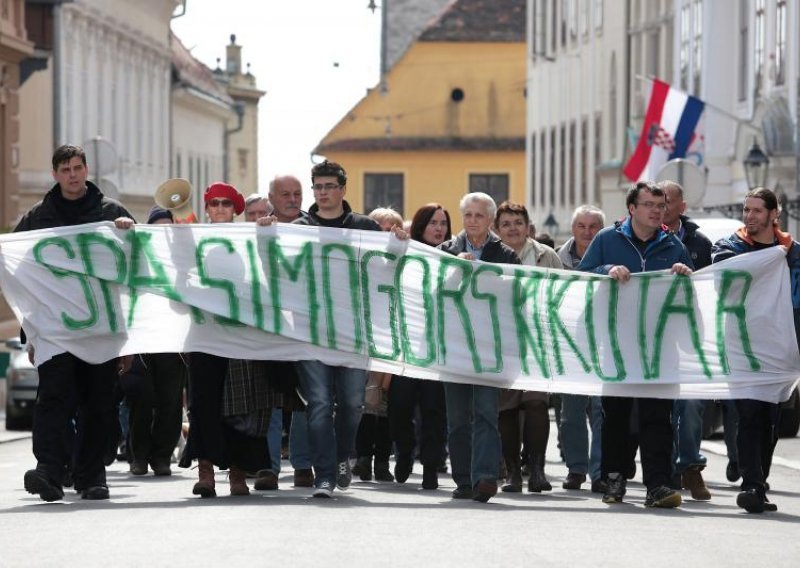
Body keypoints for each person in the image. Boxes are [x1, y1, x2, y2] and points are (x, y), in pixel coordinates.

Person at [19, 144, 134, 502]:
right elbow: (20, 276)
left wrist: (128, 234)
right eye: (65, 169)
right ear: (55, 174)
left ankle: (91, 476)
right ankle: (49, 472)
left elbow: (134, 272)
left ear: (86, 170)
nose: (72, 174)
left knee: (98, 403)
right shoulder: (38, 217)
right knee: (53, 399)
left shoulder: (111, 213)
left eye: (77, 167)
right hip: (55, 331)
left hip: (100, 329)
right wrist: (31, 334)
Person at [578, 181, 693, 509]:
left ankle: (657, 484)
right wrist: (606, 270)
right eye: (649, 205)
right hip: (617, 347)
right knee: (616, 416)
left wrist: (685, 274)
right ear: (632, 208)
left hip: (659, 349)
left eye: (661, 205)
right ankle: (614, 477)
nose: (657, 211)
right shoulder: (606, 240)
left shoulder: (673, 245)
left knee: (658, 417)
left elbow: (691, 295)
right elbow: (582, 279)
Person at [291, 160, 386, 498]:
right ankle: (324, 475)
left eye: (330, 186)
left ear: (343, 190)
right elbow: (278, 268)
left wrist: (400, 243)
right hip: (311, 332)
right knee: (317, 403)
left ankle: (344, 453)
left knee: (352, 403)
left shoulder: (366, 227)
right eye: (318, 187)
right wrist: (265, 234)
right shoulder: (297, 228)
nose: (324, 193)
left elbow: (388, 266)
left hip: (354, 332)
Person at [178, 182, 270, 497]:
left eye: (226, 204)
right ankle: (205, 473)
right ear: (207, 209)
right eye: (214, 203)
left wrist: (266, 237)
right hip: (204, 335)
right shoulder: (193, 240)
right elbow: (180, 281)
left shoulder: (246, 243)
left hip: (237, 335)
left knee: (238, 405)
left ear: (234, 211)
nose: (219, 209)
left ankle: (237, 474)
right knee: (203, 405)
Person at [711, 187, 799, 513]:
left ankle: (759, 481)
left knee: (770, 421)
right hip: (742, 346)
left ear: (774, 214)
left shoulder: (792, 253)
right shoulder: (728, 247)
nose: (749, 216)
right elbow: (721, 273)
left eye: (757, 211)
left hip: (779, 348)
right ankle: (750, 483)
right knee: (748, 414)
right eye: (746, 210)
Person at [438, 192, 520, 502]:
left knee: (486, 413)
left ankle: (485, 477)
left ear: (490, 220)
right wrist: (453, 269)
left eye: (479, 215)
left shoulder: (507, 255)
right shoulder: (445, 251)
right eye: (468, 215)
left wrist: (485, 274)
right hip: (455, 346)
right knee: (458, 418)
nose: (473, 221)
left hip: (489, 346)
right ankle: (462, 479)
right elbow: (431, 291)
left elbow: (515, 296)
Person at [493, 201, 561, 493]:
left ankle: (536, 469)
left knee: (536, 403)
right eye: (506, 223)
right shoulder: (492, 254)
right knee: (506, 408)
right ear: (497, 228)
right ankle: (511, 473)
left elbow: (564, 291)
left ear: (528, 226)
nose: (512, 228)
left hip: (538, 339)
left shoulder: (547, 256)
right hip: (502, 341)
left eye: (517, 222)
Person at [387, 203, 452, 490]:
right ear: (421, 225)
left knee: (433, 410)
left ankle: (430, 466)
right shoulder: (406, 251)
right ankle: (404, 450)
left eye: (443, 223)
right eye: (433, 222)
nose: (439, 228)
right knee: (400, 406)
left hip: (438, 350)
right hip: (406, 346)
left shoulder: (452, 257)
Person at [123, 206, 188, 478]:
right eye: (157, 226)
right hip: (143, 339)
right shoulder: (138, 256)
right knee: (142, 399)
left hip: (173, 341)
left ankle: (162, 456)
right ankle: (138, 455)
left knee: (171, 401)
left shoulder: (182, 258)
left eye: (167, 226)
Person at [659, 180, 713, 501]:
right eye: (657, 202)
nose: (661, 208)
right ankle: (666, 469)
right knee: (661, 407)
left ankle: (691, 465)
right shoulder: (642, 239)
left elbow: (710, 289)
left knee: (692, 404)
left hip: (690, 336)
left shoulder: (701, 244)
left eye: (668, 202)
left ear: (682, 207)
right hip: (655, 338)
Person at [350, 207, 405, 483]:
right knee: (367, 404)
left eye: (391, 228)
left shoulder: (405, 261)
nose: (386, 233)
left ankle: (382, 461)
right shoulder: (361, 261)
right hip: (365, 339)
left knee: (386, 406)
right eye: (380, 228)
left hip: (395, 341)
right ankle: (363, 459)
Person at [265, 173, 313, 487]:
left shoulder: (316, 229)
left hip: (306, 322)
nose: (292, 199)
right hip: (268, 322)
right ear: (272, 198)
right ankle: (268, 466)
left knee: (305, 396)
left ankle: (302, 464)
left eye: (297, 193)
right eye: (285, 194)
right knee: (269, 395)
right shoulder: (260, 230)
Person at [557, 205, 606, 493]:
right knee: (570, 412)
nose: (587, 232)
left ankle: (599, 470)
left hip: (603, 343)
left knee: (601, 411)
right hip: (569, 344)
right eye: (582, 226)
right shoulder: (557, 259)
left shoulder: (611, 257)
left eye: (594, 227)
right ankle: (576, 468)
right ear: (573, 229)